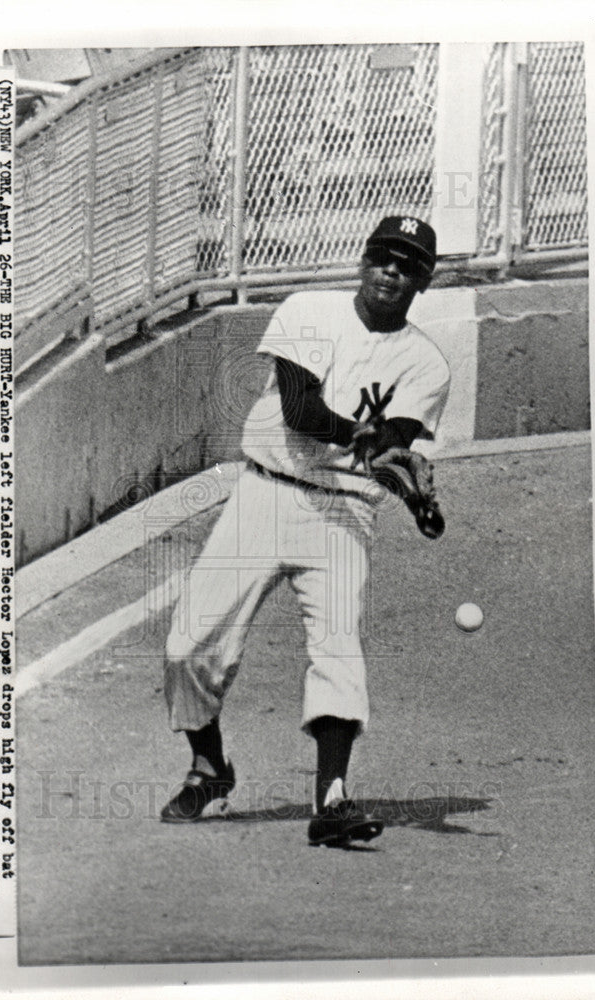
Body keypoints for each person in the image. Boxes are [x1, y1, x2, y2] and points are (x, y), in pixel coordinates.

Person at [160, 215, 450, 847]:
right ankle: (209, 767)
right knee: (188, 646)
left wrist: (398, 469)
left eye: (408, 265)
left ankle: (333, 799)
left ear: (423, 282)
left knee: (338, 647)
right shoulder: (308, 309)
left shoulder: (426, 363)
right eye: (383, 257)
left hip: (345, 512)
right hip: (265, 493)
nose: (391, 271)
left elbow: (394, 440)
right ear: (363, 262)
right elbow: (301, 411)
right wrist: (363, 437)